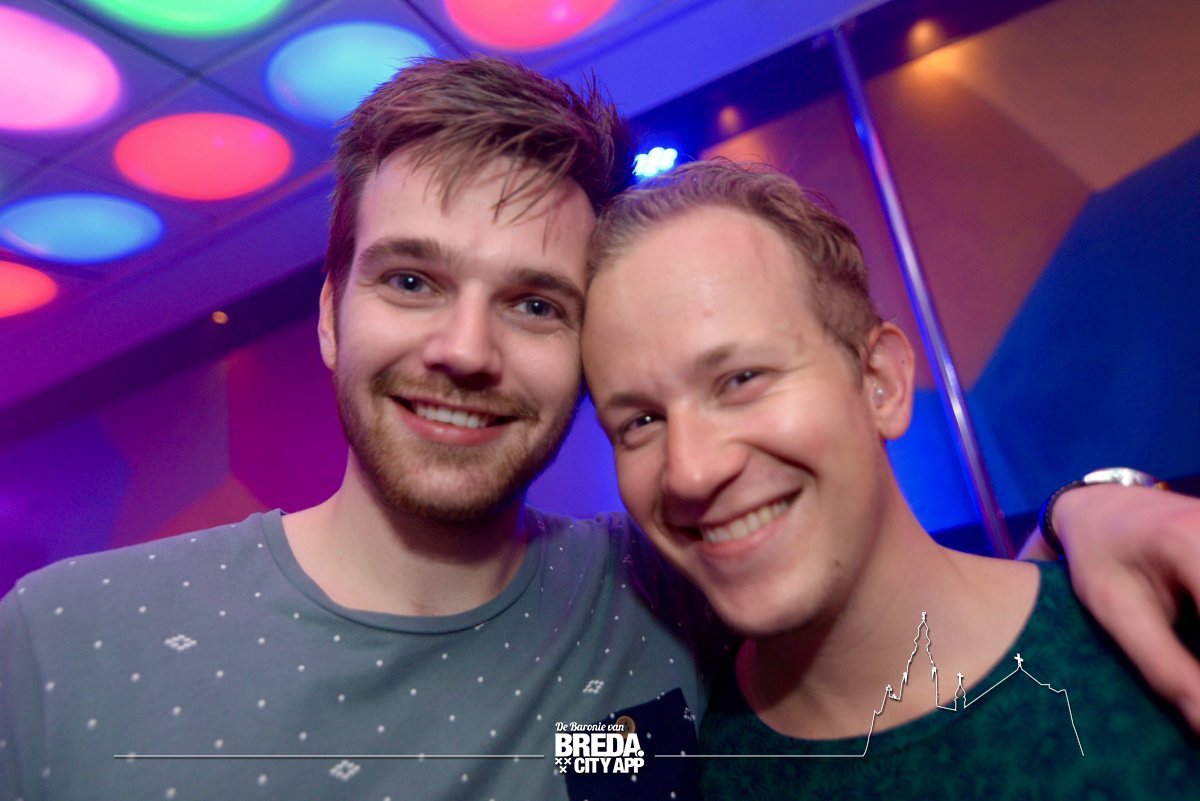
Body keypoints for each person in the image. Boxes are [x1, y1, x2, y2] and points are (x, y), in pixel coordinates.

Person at [1, 56, 1198, 801]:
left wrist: (1098, 508)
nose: (464, 347)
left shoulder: (650, 609)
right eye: (411, 279)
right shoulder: (60, 646)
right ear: (328, 314)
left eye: (533, 303)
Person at [581, 159, 1200, 799]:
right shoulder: (661, 765)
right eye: (641, 421)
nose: (690, 471)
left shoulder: (1159, 623)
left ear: (881, 383)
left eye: (741, 379)